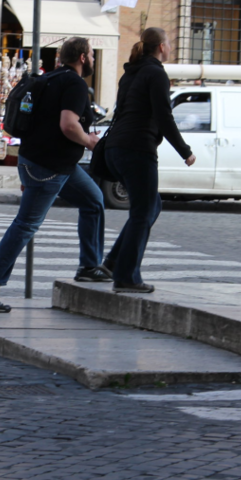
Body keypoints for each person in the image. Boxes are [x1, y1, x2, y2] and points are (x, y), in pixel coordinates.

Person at [0, 36, 109, 314]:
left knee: (93, 201)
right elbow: (68, 125)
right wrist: (90, 142)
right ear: (82, 57)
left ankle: (89, 266)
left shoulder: (49, 78)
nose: (93, 59)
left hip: (49, 163)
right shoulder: (75, 84)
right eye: (92, 55)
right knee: (25, 225)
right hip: (49, 166)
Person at [95, 27, 196, 293]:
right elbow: (164, 116)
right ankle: (126, 276)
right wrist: (185, 151)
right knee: (143, 212)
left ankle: (114, 262)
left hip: (115, 148)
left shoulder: (130, 73)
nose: (170, 47)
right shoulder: (156, 74)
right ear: (161, 47)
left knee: (151, 205)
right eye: (169, 43)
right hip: (137, 149)